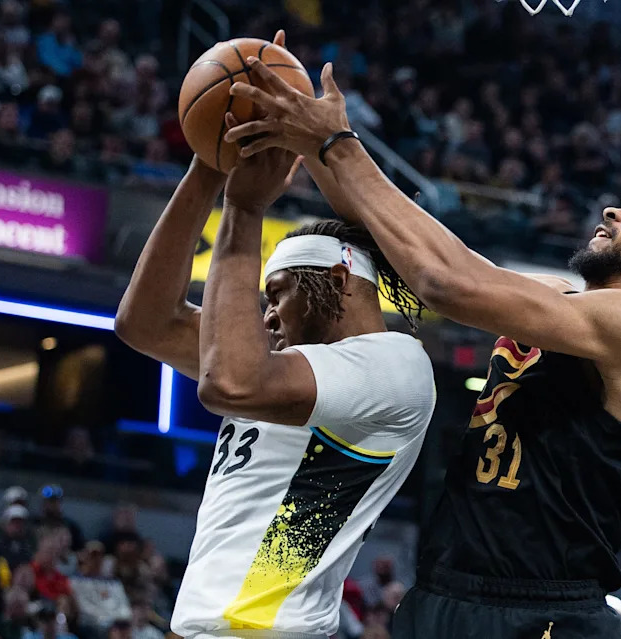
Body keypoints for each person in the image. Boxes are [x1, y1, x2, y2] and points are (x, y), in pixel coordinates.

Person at [224, 59, 621, 639]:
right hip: (447, 591)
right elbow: (405, 242)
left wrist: (335, 141)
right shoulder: (562, 303)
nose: (614, 210)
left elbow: (446, 282)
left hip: (538, 610)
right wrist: (305, 136)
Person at [114, 30, 435, 639]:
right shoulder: (287, 363)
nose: (263, 317)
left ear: (341, 281)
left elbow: (230, 381)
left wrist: (242, 214)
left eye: (277, 293)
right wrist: (209, 166)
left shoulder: (395, 367)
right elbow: (145, 323)